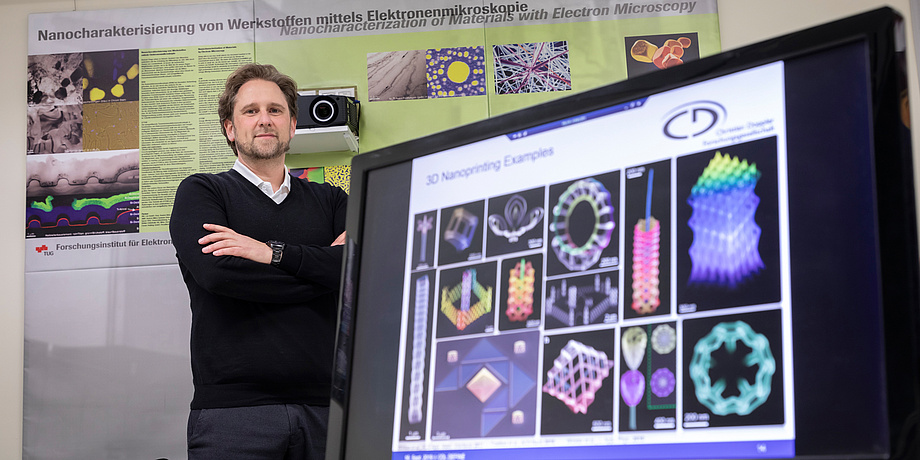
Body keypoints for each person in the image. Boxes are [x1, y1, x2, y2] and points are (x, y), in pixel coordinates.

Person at [169, 63, 347, 460]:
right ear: (231, 129)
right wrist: (323, 269)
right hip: (234, 415)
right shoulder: (203, 192)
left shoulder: (333, 200)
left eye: (275, 110)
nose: (264, 120)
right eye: (250, 111)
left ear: (292, 125)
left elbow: (361, 274)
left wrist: (270, 254)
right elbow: (218, 275)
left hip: (328, 409)